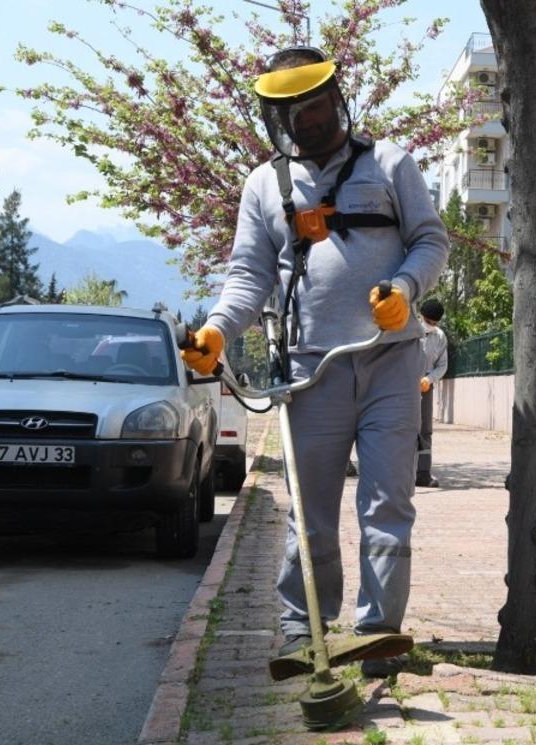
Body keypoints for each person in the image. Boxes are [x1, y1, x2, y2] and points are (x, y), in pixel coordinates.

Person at [181, 46, 448, 678]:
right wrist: (218, 331)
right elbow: (249, 276)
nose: (309, 120)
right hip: (311, 369)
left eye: (317, 105)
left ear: (338, 100)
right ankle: (305, 631)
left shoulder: (389, 163)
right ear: (279, 118)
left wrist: (406, 290)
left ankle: (378, 632)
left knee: (388, 504)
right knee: (312, 510)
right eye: (294, 112)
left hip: (389, 360)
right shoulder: (265, 186)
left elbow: (431, 239)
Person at [416, 298, 448, 488]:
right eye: (428, 321)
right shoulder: (409, 332)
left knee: (425, 431)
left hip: (425, 386)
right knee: (403, 429)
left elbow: (442, 365)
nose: (431, 325)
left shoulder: (440, 337)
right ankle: (402, 474)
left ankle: (423, 473)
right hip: (404, 385)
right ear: (421, 316)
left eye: (435, 323)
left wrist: (429, 379)